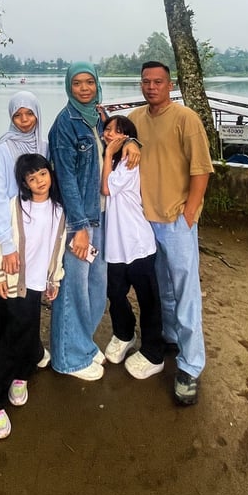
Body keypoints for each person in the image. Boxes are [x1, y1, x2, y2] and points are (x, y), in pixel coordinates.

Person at [127, 61, 214, 406]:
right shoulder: (135, 119)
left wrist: (189, 213)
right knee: (161, 286)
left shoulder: (185, 119)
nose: (151, 87)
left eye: (158, 82)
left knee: (185, 291)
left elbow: (201, 170)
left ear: (170, 84)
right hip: (145, 221)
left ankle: (190, 366)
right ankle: (169, 336)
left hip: (176, 220)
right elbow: (115, 145)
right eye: (146, 81)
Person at [48, 61, 139, 381]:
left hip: (102, 213)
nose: (84, 88)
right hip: (81, 217)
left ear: (97, 84)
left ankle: (83, 343)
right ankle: (68, 357)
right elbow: (66, 179)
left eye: (89, 82)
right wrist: (78, 228)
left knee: (96, 285)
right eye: (77, 83)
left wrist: (133, 142)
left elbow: (119, 138)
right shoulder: (65, 123)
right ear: (68, 86)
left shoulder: (99, 117)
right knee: (74, 287)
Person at [0, 153, 66, 439]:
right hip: (15, 283)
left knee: (28, 331)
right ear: (24, 183)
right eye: (32, 177)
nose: (39, 181)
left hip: (38, 284)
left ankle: (20, 375)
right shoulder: (15, 206)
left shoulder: (58, 210)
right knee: (13, 337)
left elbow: (57, 247)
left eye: (43, 173)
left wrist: (54, 279)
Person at [0, 91, 50, 377]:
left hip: (33, 231)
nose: (24, 120)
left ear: (37, 114)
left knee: (27, 297)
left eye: (29, 114)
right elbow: (1, 195)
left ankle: (31, 350)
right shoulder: (5, 147)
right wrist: (6, 244)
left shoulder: (44, 145)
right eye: (18, 115)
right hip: (6, 230)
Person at [101, 115, 165, 376]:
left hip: (138, 243)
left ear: (127, 136)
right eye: (107, 129)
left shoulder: (129, 161)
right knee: (115, 294)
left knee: (148, 299)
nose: (110, 134)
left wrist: (111, 153)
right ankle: (124, 334)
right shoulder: (114, 159)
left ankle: (153, 352)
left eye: (117, 131)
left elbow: (107, 189)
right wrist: (111, 152)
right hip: (115, 244)